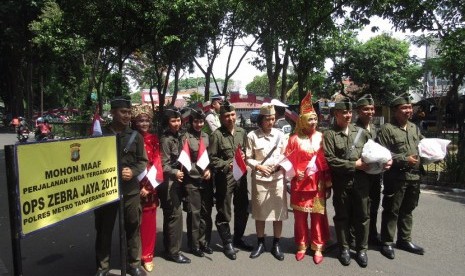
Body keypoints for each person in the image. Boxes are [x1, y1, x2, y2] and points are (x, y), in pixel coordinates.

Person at [94, 97, 148, 276]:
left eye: (128, 112)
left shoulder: (136, 136)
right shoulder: (100, 134)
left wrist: (132, 172)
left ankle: (134, 264)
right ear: (113, 112)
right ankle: (103, 267)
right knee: (104, 228)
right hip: (105, 190)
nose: (127, 115)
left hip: (130, 189)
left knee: (133, 226)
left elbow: (143, 162)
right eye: (123, 112)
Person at [323, 97, 371, 267]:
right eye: (344, 112)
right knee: (342, 216)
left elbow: (371, 152)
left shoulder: (361, 132)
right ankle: (344, 248)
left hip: (362, 183)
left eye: (350, 112)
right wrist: (354, 164)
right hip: (341, 184)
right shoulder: (329, 134)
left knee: (363, 216)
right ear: (336, 114)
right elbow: (330, 160)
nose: (348, 115)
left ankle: (361, 249)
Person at [377, 93, 425, 260]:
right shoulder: (387, 129)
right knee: (392, 210)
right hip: (396, 177)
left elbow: (422, 145)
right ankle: (387, 242)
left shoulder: (414, 128)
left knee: (408, 210)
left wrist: (432, 151)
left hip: (414, 177)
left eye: (410, 107)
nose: (408, 110)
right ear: (395, 111)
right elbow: (383, 153)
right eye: (404, 108)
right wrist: (405, 159)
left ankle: (404, 240)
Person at [285, 93, 331, 264]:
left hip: (318, 184)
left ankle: (318, 245)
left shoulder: (322, 137)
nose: (313, 122)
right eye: (309, 119)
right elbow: (287, 161)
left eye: (315, 119)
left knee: (318, 216)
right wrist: (296, 171)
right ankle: (302, 245)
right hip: (300, 184)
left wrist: (328, 182)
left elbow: (327, 161)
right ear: (302, 121)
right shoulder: (293, 139)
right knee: (300, 217)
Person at [209, 101, 253, 260]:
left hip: (241, 176)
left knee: (242, 208)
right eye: (226, 116)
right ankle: (227, 242)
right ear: (221, 118)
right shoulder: (217, 135)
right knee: (224, 211)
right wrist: (228, 164)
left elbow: (247, 153)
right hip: (225, 177)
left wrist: (245, 158)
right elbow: (212, 159)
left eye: (232, 115)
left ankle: (238, 238)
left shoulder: (242, 132)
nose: (230, 118)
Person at [246, 104, 288, 261]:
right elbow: (247, 157)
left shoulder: (280, 135)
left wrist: (279, 164)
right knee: (260, 214)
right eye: (268, 119)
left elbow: (285, 155)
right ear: (261, 120)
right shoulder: (252, 136)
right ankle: (260, 242)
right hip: (260, 179)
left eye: (273, 118)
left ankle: (276, 244)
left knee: (278, 214)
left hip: (277, 179)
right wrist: (258, 165)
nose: (271, 122)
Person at [131, 105, 163, 272]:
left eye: (146, 120)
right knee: (133, 222)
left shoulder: (154, 139)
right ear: (134, 122)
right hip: (132, 185)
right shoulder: (130, 137)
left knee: (149, 222)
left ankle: (147, 255)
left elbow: (157, 162)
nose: (143, 123)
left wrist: (149, 187)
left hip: (150, 185)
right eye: (140, 120)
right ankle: (133, 255)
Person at [158, 107, 191, 264]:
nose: (177, 123)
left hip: (178, 181)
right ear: (167, 122)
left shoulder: (180, 136)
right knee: (175, 217)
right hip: (169, 182)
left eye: (178, 120)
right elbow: (163, 164)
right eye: (173, 120)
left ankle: (168, 247)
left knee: (170, 216)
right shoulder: (165, 139)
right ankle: (174, 252)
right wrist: (174, 172)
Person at [181, 108, 214, 257]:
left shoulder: (207, 137)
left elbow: (211, 157)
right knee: (194, 214)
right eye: (196, 121)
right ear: (191, 122)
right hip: (191, 180)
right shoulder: (186, 138)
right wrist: (197, 172)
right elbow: (184, 161)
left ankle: (204, 242)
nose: (199, 124)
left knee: (206, 213)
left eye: (201, 121)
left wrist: (209, 170)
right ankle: (193, 245)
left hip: (206, 180)